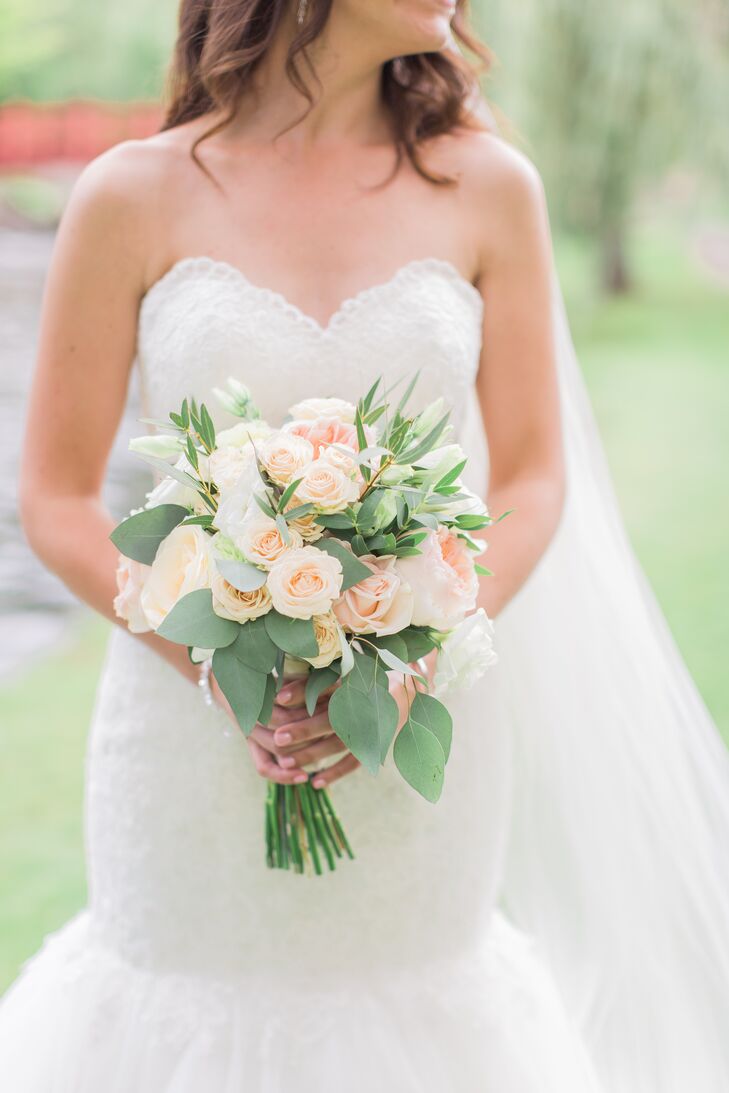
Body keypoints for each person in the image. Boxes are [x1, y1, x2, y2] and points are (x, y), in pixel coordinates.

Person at [2, 2, 729, 1089]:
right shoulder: (132, 193)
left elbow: (530, 475)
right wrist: (225, 659)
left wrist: (407, 661)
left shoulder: (488, 187)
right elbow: (57, 499)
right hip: (184, 740)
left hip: (413, 736)